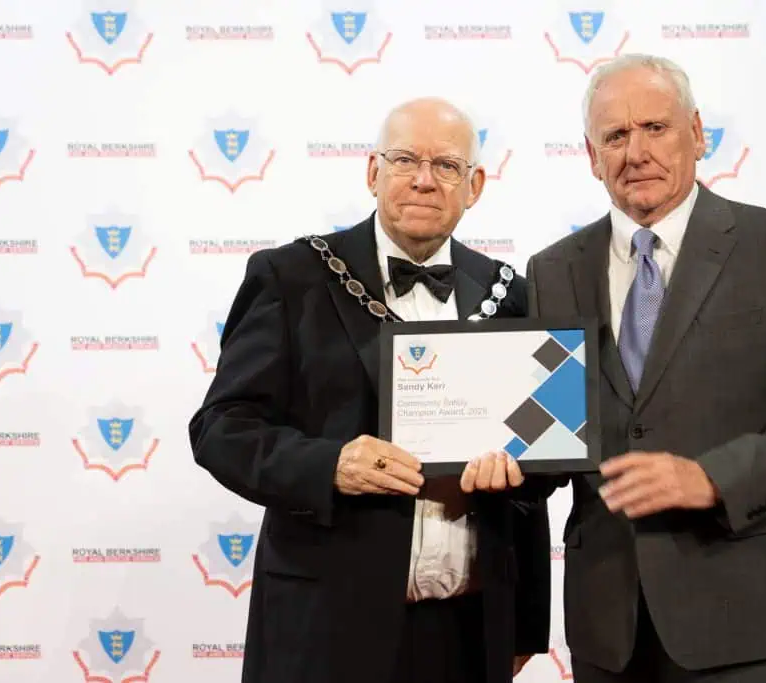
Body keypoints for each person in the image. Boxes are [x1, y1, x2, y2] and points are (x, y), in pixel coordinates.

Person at [520, 54, 766, 682]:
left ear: (699, 133)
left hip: (744, 612)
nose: (636, 151)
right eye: (615, 136)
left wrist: (714, 478)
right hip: (608, 625)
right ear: (590, 155)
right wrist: (498, 460)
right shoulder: (553, 270)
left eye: (655, 127)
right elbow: (551, 436)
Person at [188, 97, 550, 683]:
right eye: (405, 159)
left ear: (475, 184)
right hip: (324, 629)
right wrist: (329, 463)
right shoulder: (292, 276)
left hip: (468, 631)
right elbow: (221, 429)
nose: (424, 181)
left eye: (447, 166)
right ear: (372, 172)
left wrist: (526, 623)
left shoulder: (512, 293)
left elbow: (533, 476)